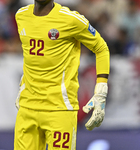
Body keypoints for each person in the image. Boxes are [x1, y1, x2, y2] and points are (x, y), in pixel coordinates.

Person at [14, 0, 110, 150]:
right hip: (27, 108)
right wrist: (23, 84)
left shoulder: (71, 19)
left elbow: (101, 48)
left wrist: (101, 91)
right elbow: (33, 56)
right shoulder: (21, 15)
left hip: (59, 110)